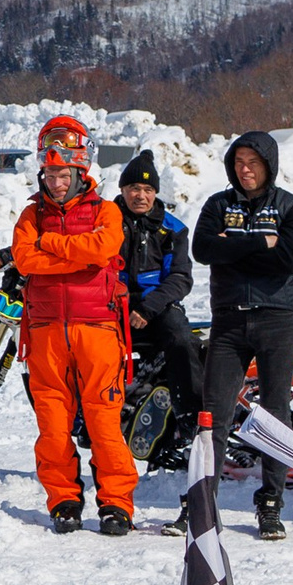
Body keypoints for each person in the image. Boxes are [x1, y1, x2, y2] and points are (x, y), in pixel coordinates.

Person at [0, 115, 133, 536]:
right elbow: (24, 259)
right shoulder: (30, 215)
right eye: (51, 173)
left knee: (104, 423)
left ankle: (116, 504)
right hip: (45, 331)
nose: (57, 182)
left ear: (81, 171)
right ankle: (64, 500)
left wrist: (51, 245)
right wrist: (72, 253)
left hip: (98, 330)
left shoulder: (106, 211)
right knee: (52, 425)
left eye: (65, 174)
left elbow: (103, 248)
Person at [196, 130, 293, 541]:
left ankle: (271, 503)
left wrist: (235, 245)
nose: (245, 169)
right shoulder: (217, 205)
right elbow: (204, 250)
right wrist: (262, 243)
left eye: (253, 162)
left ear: (268, 165)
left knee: (275, 414)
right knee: (213, 415)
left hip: (277, 319)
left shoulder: (292, 208)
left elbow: (290, 259)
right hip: (228, 322)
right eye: (240, 162)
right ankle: (204, 502)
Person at [115, 149, 200, 436]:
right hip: (112, 303)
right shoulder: (105, 222)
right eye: (134, 188)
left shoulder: (173, 229)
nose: (141, 195)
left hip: (158, 305)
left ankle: (191, 416)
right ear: (123, 190)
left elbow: (180, 278)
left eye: (148, 189)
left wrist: (148, 308)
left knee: (181, 338)